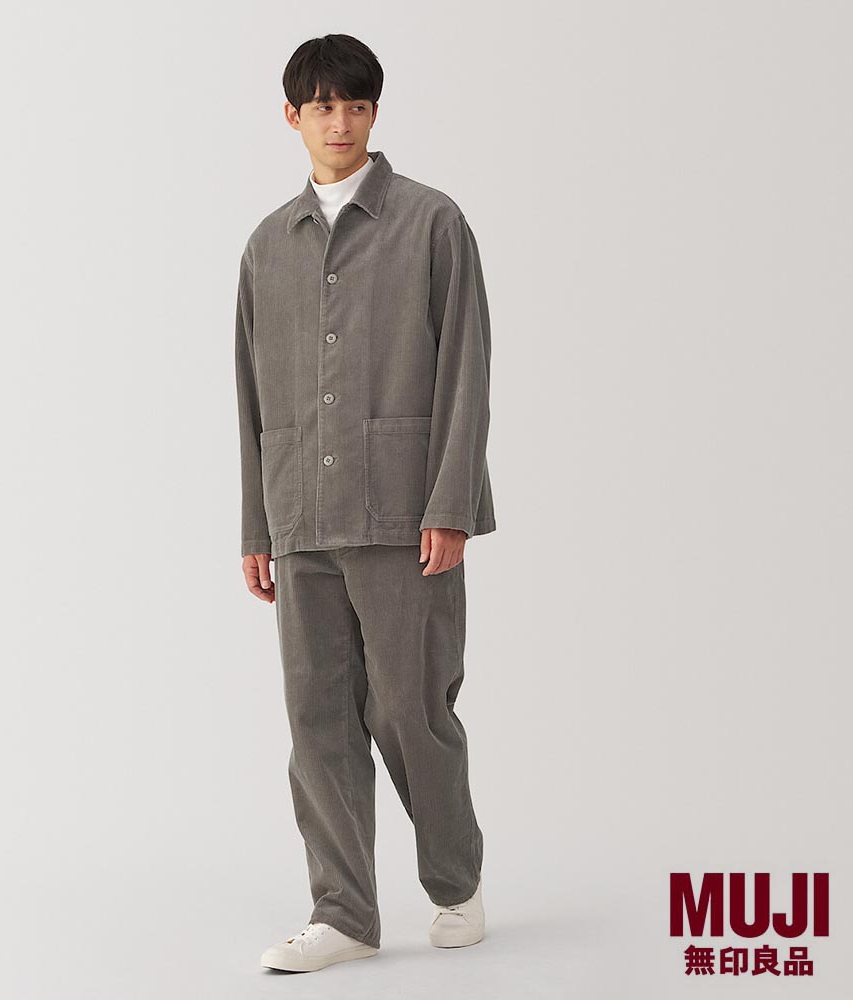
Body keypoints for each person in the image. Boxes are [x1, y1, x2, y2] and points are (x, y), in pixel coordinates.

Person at [233, 33, 496, 974]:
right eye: (322, 106)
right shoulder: (267, 245)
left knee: (411, 713)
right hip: (301, 512)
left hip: (403, 512)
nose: (338, 122)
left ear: (375, 113)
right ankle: (343, 911)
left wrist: (451, 503)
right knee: (317, 720)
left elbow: (466, 368)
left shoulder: (432, 222)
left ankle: (456, 882)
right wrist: (257, 524)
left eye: (355, 105)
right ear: (292, 115)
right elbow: (250, 394)